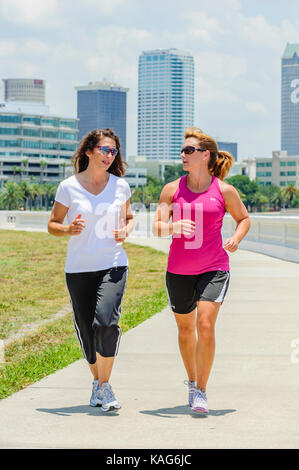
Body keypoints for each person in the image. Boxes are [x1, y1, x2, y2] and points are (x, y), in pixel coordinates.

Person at [152, 127, 250, 414]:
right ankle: (192, 382)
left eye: (189, 151)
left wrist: (236, 238)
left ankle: (202, 392)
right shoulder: (171, 189)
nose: (183, 155)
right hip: (179, 270)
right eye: (183, 151)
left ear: (205, 155)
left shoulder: (224, 190)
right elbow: (157, 227)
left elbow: (243, 218)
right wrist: (174, 226)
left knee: (205, 325)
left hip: (214, 267)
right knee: (185, 329)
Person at [48, 128, 134, 412]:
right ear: (89, 151)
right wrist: (69, 229)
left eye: (114, 151)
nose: (110, 155)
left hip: (113, 264)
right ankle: (97, 383)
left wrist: (127, 230)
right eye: (105, 150)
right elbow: (53, 224)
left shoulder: (120, 186)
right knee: (87, 331)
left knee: (105, 324)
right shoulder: (68, 187)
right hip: (79, 269)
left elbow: (130, 218)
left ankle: (105, 387)